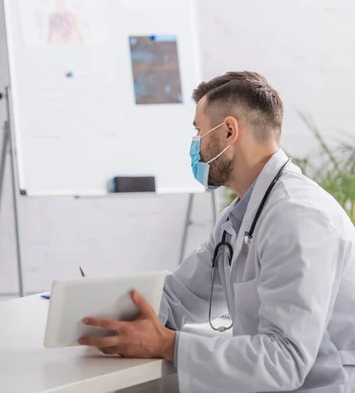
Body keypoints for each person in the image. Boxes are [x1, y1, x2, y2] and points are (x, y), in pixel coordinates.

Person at [78, 71, 355, 392]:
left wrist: (168, 344)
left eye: (198, 130)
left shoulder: (299, 217)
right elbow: (180, 295)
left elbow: (285, 361)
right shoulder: (240, 217)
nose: (195, 145)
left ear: (228, 132)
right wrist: (104, 313)